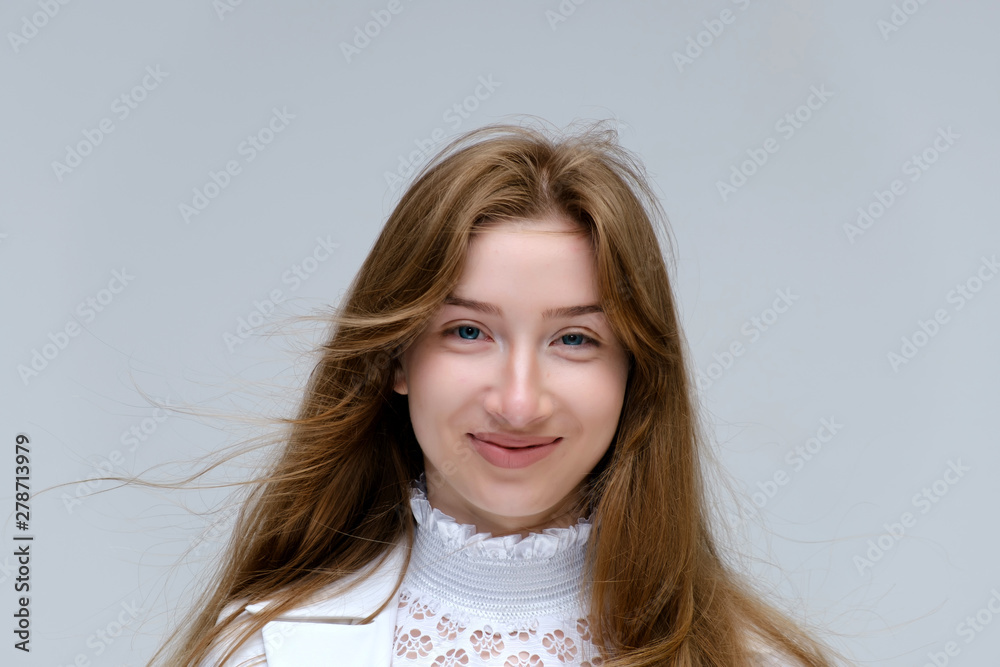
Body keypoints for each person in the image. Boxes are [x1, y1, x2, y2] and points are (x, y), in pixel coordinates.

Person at [150, 119, 845, 666]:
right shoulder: (267, 651)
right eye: (467, 332)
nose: (518, 403)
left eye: (574, 339)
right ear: (398, 357)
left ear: (636, 374)